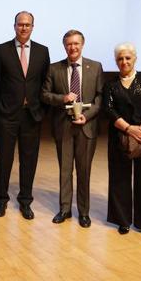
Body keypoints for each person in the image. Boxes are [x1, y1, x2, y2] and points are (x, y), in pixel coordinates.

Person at [41, 30, 103, 228]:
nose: (72, 47)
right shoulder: (54, 68)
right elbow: (44, 95)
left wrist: (88, 115)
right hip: (64, 126)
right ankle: (65, 209)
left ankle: (84, 212)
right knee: (65, 171)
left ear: (82, 45)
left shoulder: (95, 67)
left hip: (86, 126)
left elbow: (100, 98)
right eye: (69, 44)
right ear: (64, 46)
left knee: (84, 171)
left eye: (76, 44)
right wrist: (63, 99)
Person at [0, 11, 50, 219]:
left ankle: (25, 201)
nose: (24, 28)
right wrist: (0, 109)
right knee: (4, 160)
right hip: (7, 115)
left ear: (32, 27)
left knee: (29, 160)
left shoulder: (43, 52)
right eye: (20, 24)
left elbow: (45, 83)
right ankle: (1, 200)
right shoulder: (1, 50)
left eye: (27, 24)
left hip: (31, 115)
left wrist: (41, 110)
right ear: (14, 26)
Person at [102, 43, 141, 237]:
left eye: (127, 58)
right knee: (119, 180)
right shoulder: (110, 84)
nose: (124, 62)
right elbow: (109, 110)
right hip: (120, 136)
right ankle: (123, 220)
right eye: (120, 58)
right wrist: (128, 128)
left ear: (135, 59)